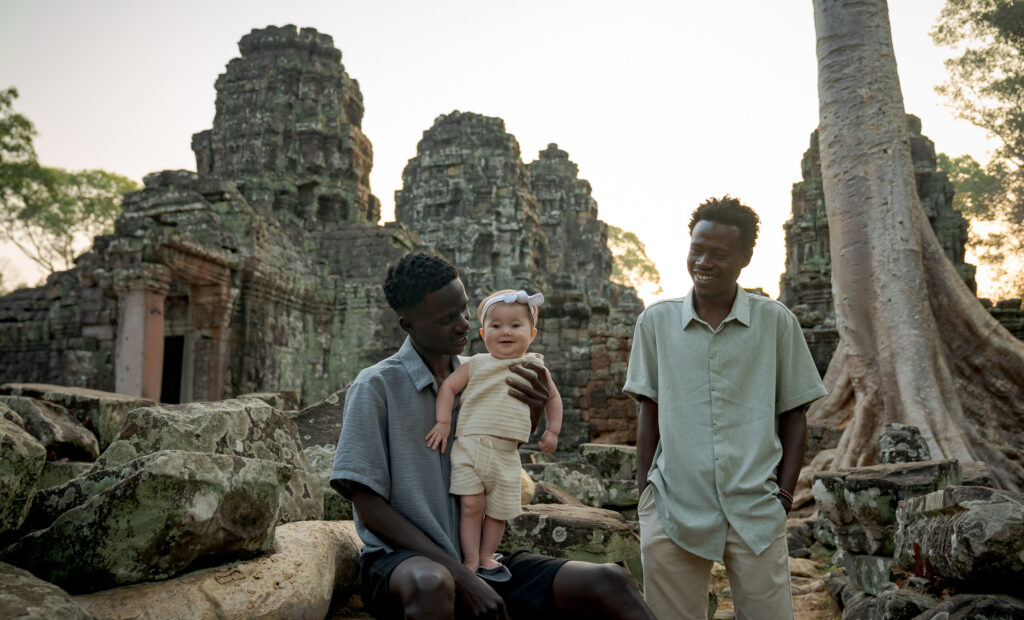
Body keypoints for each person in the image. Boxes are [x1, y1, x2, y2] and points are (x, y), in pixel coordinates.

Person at [331, 252, 654, 620]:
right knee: (433, 583)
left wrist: (533, 411)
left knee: (608, 581)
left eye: (466, 310)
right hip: (402, 565)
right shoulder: (375, 387)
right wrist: (462, 578)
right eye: (447, 319)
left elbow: (506, 446)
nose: (464, 325)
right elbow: (369, 507)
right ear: (409, 324)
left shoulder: (484, 372)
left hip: (478, 559)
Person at [623, 196, 827, 620]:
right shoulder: (656, 322)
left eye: (719, 254)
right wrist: (645, 494)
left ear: (745, 258)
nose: (704, 261)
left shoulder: (775, 322)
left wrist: (785, 496)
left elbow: (794, 415)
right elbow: (649, 410)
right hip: (673, 504)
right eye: (697, 249)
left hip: (755, 505)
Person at [426, 288, 563, 583]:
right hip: (470, 446)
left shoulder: (536, 366)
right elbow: (449, 388)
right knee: (471, 504)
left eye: (516, 325)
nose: (506, 332)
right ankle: (471, 559)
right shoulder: (474, 364)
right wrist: (443, 422)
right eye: (496, 326)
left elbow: (553, 399)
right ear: (482, 332)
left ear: (533, 333)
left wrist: (552, 430)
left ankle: (488, 555)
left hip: (507, 453)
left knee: (499, 511)